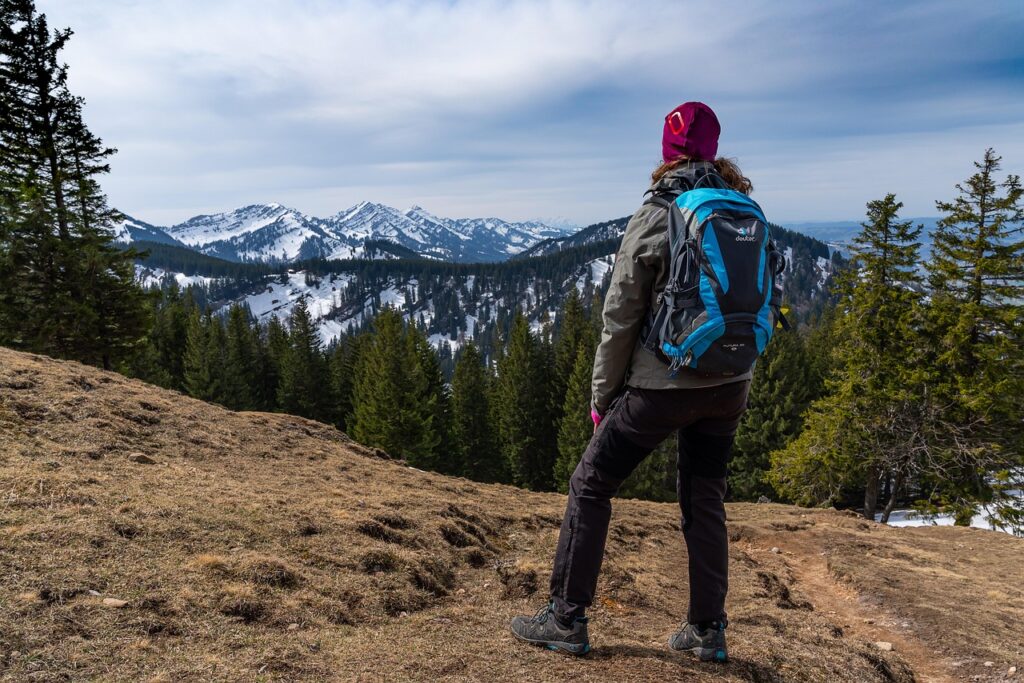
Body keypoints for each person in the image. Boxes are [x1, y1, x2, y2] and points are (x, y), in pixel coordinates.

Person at [510, 102, 754, 662]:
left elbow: (620, 317)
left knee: (591, 483)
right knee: (705, 499)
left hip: (660, 386)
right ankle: (707, 630)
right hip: (730, 383)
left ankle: (566, 618)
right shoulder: (743, 210)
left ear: (667, 153)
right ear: (715, 150)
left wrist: (602, 398)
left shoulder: (657, 213)